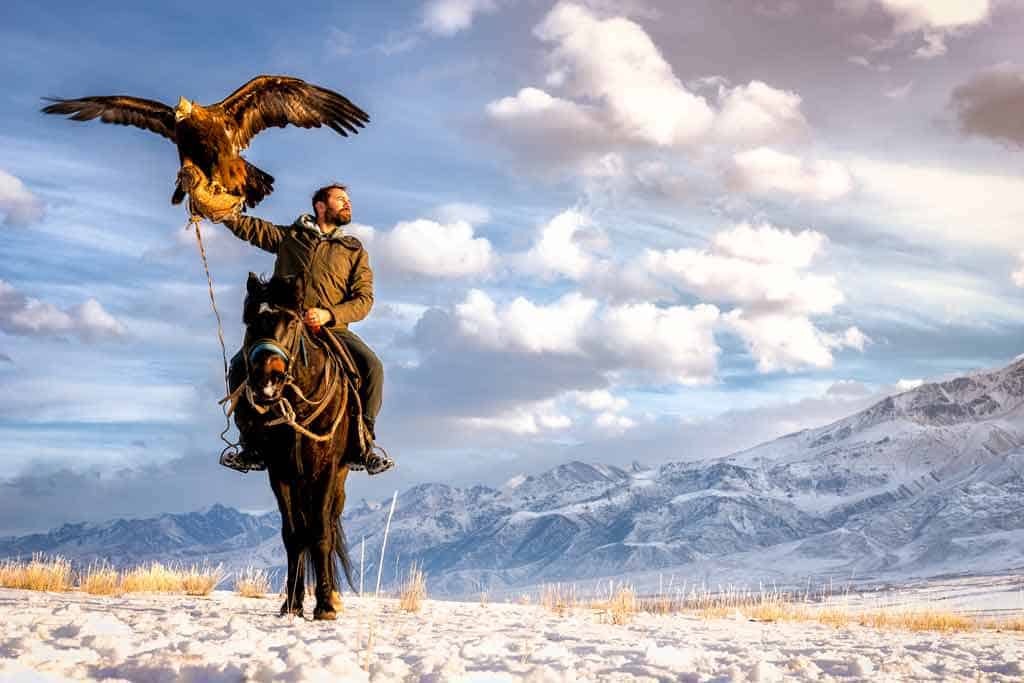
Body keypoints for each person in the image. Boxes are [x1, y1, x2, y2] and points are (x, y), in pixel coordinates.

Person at [207, 183, 392, 475]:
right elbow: (249, 227)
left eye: (349, 200)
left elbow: (364, 300)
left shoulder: (353, 250)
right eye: (340, 200)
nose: (348, 205)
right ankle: (249, 445)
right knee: (239, 365)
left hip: (332, 329)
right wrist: (218, 210)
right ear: (320, 206)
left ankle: (363, 444)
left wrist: (329, 314)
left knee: (373, 367)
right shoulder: (289, 237)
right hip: (284, 326)